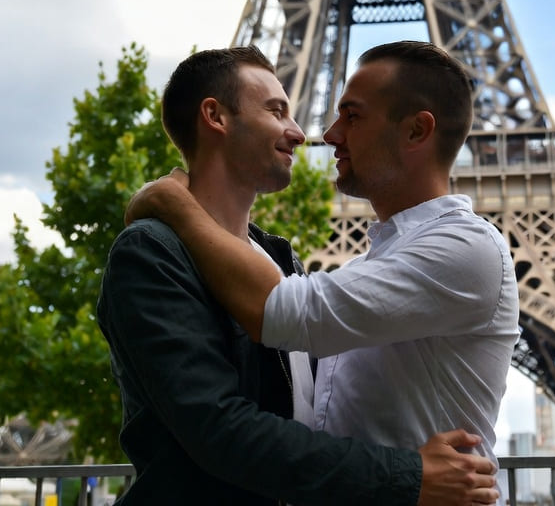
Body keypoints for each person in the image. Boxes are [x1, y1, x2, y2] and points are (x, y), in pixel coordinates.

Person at [97, 45, 499, 506]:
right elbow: (219, 429)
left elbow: (290, 334)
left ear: (416, 130)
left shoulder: (279, 264)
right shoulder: (152, 251)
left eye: (351, 116)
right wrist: (407, 476)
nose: (310, 134)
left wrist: (174, 203)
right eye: (276, 110)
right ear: (216, 116)